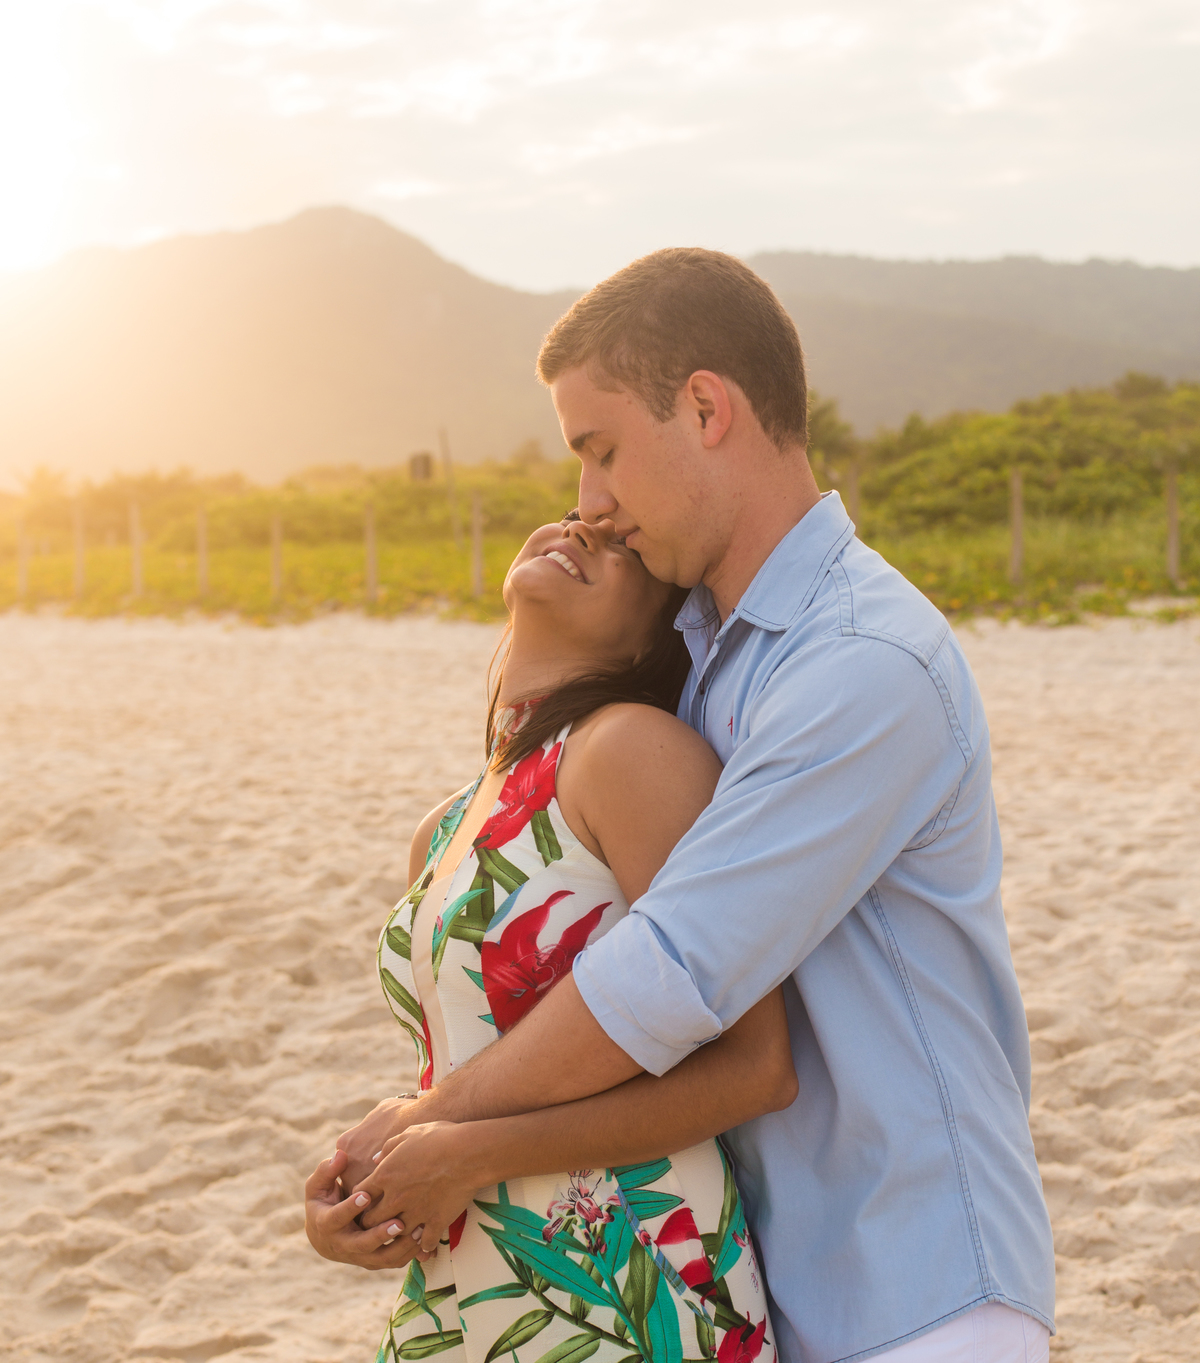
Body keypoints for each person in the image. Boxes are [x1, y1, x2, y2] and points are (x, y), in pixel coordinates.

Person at [311, 249, 1056, 1363]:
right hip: (758, 1275)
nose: (589, 501)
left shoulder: (861, 662)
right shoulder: (704, 659)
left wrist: (433, 1126)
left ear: (707, 406)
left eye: (602, 450)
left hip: (916, 1285)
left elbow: (673, 970)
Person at [306, 509, 799, 1363]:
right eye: (574, 518)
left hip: (629, 1277)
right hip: (469, 1271)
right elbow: (475, 1064)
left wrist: (465, 1153)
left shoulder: (630, 752)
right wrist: (366, 1196)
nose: (580, 531)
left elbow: (756, 1068)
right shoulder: (446, 823)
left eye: (621, 548)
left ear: (661, 629)